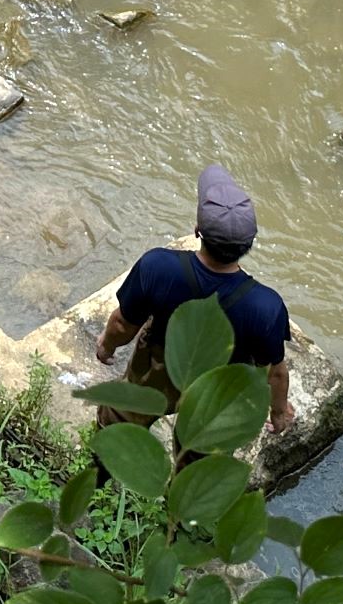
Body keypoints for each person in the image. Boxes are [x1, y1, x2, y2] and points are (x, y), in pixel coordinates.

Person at [95, 164, 294, 435]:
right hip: (217, 386)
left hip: (159, 365)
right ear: (250, 242)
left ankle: (106, 454)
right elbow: (274, 372)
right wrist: (279, 413)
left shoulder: (158, 266)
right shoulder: (266, 307)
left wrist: (106, 346)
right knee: (203, 445)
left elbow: (122, 325)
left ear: (197, 229)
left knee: (123, 416)